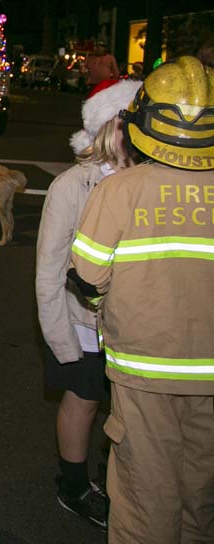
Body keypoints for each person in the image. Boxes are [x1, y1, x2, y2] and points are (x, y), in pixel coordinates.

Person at [70, 56, 214, 543]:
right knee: (202, 494)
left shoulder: (122, 189)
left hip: (144, 365)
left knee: (144, 492)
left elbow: (87, 271)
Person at [35, 77, 140, 530]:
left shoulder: (149, 183)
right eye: (126, 122)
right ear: (104, 126)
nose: (135, 132)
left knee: (130, 411)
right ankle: (73, 485)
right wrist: (61, 341)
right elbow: (49, 271)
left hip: (136, 325)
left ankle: (121, 482)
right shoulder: (72, 186)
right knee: (84, 401)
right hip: (82, 323)